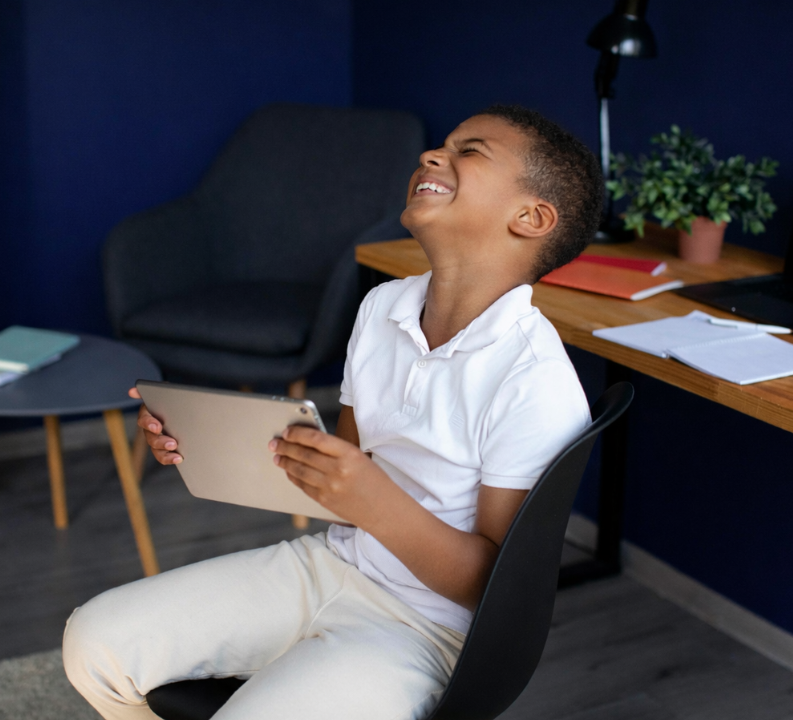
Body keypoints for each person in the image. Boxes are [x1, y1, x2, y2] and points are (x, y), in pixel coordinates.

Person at [63, 104, 604, 720]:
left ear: (530, 218)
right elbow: (338, 479)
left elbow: (495, 588)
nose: (433, 155)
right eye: (442, 145)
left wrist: (372, 498)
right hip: (332, 563)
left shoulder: (534, 379)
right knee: (93, 641)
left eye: (470, 151)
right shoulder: (382, 307)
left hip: (426, 629)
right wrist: (203, 439)